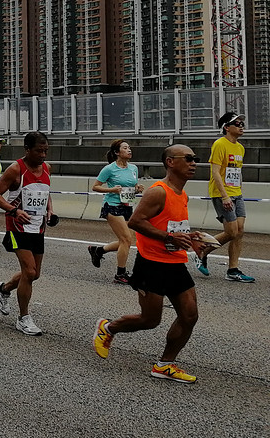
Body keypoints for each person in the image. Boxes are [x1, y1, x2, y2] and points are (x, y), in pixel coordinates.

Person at [93, 145, 210, 383]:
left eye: (195, 159)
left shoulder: (182, 194)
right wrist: (169, 238)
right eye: (188, 159)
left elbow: (171, 227)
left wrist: (190, 239)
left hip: (175, 262)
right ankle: (109, 328)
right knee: (150, 320)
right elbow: (136, 222)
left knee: (189, 316)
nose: (193, 163)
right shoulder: (158, 192)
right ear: (170, 162)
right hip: (151, 264)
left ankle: (164, 365)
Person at [0, 132, 54, 336]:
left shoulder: (46, 168)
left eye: (45, 150)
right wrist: (14, 210)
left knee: (35, 274)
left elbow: (45, 192)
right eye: (39, 151)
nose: (43, 155)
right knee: (28, 271)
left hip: (38, 227)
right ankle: (23, 318)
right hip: (18, 227)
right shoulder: (16, 169)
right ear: (27, 149)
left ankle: (3, 289)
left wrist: (49, 209)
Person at [196, 112, 254, 282]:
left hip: (237, 193)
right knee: (232, 231)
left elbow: (237, 172)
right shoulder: (220, 144)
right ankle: (203, 250)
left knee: (240, 230)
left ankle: (233, 269)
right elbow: (215, 172)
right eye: (237, 124)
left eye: (242, 123)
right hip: (222, 194)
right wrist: (225, 196)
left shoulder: (240, 147)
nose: (241, 126)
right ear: (227, 128)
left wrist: (239, 191)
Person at [89, 139, 144, 285]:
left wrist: (138, 188)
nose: (129, 150)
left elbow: (132, 185)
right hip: (112, 205)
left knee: (126, 240)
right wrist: (111, 189)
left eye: (129, 147)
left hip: (127, 205)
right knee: (126, 239)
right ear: (117, 152)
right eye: (125, 148)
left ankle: (99, 251)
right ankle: (120, 274)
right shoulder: (110, 169)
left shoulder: (133, 168)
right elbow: (95, 187)